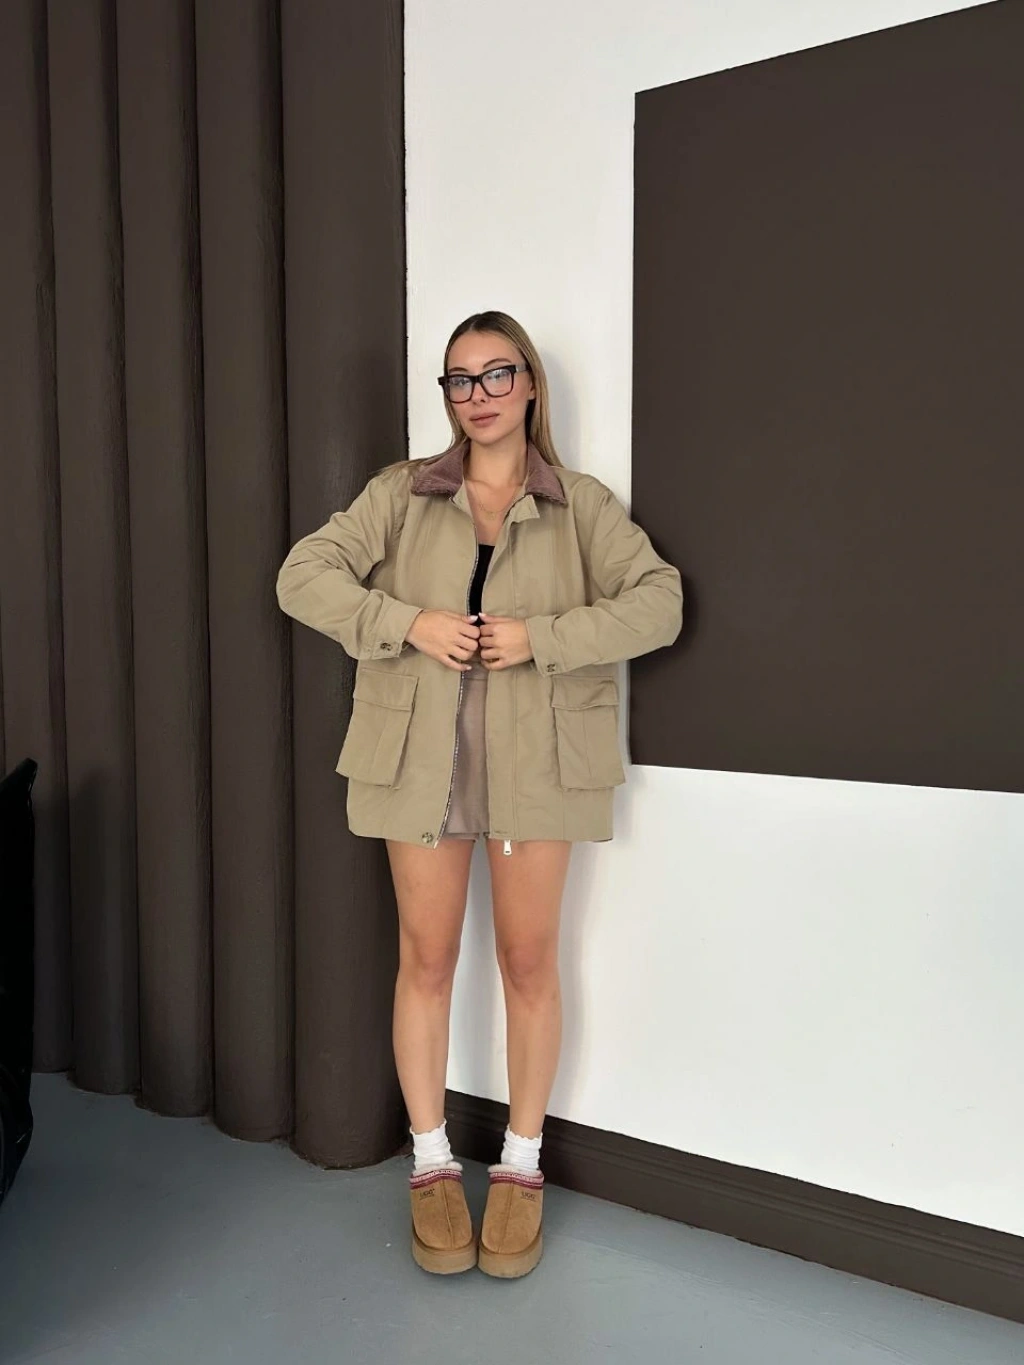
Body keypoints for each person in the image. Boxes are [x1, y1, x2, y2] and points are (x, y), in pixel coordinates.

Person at [276, 310, 683, 1279]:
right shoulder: (402, 492)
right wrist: (406, 621)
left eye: (498, 373)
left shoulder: (581, 505)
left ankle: (521, 1165)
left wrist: (543, 637)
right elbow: (302, 576)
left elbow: (660, 602)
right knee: (425, 959)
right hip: (419, 765)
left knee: (529, 961)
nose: (479, 394)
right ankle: (429, 1161)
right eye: (459, 379)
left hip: (538, 766)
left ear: (529, 382)